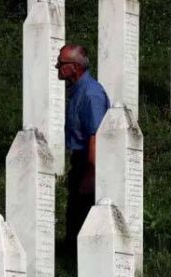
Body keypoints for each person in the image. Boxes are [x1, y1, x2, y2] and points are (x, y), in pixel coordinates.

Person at [56, 44, 110, 252]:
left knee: (82, 213)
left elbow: (95, 136)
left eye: (61, 63)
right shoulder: (77, 89)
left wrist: (91, 173)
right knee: (74, 213)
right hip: (79, 160)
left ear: (75, 67)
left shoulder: (91, 94)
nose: (56, 66)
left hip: (88, 162)